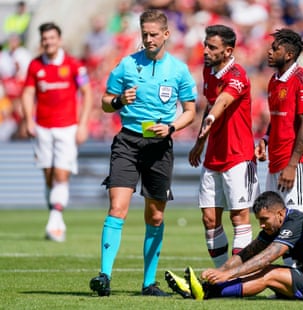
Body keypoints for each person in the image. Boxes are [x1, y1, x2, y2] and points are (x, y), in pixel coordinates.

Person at [89, 9, 197, 297]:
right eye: (144, 34)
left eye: (153, 34)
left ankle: (149, 283)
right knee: (117, 208)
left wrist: (172, 127)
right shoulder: (126, 65)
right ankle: (104, 277)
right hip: (127, 142)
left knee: (156, 217)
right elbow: (105, 102)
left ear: (166, 34)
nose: (148, 39)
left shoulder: (179, 70)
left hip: (159, 147)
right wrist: (120, 99)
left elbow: (190, 111)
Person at [164, 191, 303, 301]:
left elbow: (268, 256)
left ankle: (205, 292)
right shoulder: (276, 224)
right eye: (259, 220)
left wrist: (227, 274)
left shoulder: (296, 221)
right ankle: (200, 286)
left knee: (268, 273)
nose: (261, 225)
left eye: (265, 220)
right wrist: (218, 272)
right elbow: (247, 254)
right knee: (256, 268)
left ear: (280, 214)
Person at [188, 24, 260, 268]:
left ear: (228, 51)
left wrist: (210, 118)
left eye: (212, 47)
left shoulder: (238, 75)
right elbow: (210, 104)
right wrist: (200, 141)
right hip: (213, 155)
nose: (206, 51)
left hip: (238, 156)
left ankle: (238, 276)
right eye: (205, 45)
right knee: (209, 219)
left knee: (239, 217)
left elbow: (222, 101)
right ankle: (222, 274)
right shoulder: (208, 72)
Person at [21, 22, 93, 242]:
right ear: (42, 41)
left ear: (59, 40)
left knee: (62, 174)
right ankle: (56, 216)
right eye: (45, 38)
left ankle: (55, 221)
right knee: (49, 175)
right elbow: (27, 93)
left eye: (52, 38)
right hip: (42, 128)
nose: (48, 42)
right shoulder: (35, 66)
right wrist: (28, 120)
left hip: (67, 128)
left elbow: (87, 93)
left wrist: (82, 125)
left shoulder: (73, 65)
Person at [254, 28, 303, 217]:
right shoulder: (274, 80)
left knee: (300, 221)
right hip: (275, 161)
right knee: (274, 221)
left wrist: (292, 166)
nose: (269, 52)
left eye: (275, 49)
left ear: (289, 55)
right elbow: (278, 118)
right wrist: (266, 138)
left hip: (295, 163)